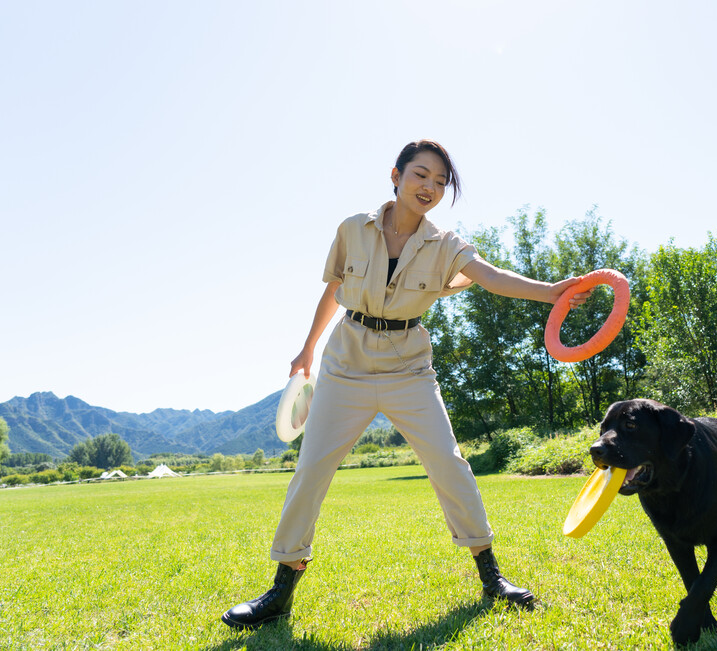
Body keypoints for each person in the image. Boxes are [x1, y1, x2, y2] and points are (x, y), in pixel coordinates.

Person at [222, 139, 592, 630]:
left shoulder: (446, 244)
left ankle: (492, 578)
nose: (430, 187)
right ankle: (280, 591)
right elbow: (334, 289)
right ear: (395, 176)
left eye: (441, 182)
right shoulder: (353, 228)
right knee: (311, 470)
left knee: (448, 462)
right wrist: (308, 348)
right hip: (346, 363)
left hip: (408, 368)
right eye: (421, 175)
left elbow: (489, 276)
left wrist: (551, 292)